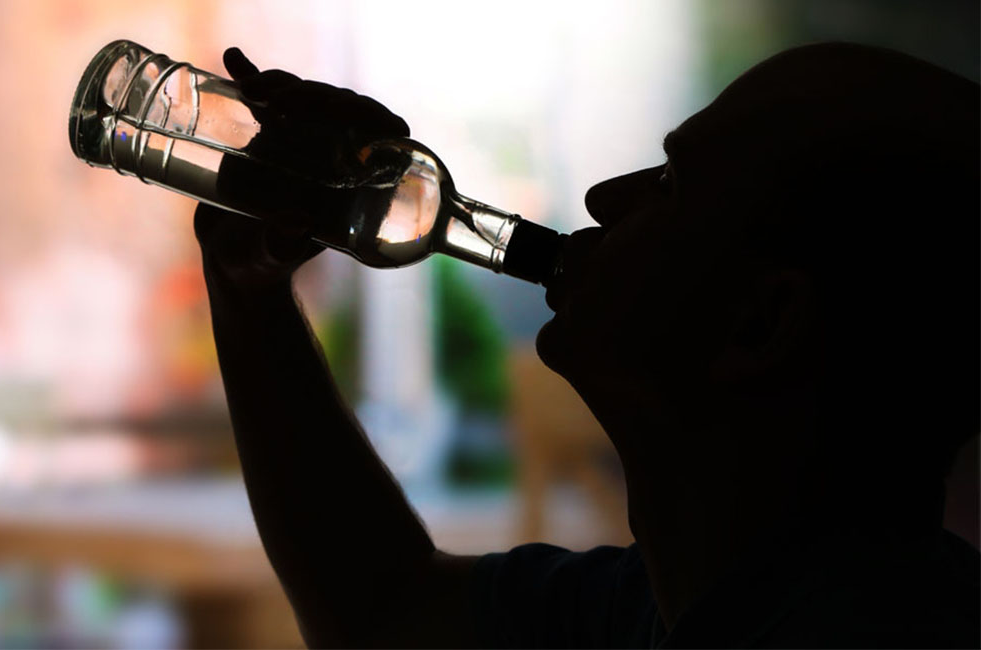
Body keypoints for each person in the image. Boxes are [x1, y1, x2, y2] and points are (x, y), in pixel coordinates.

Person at [193, 43, 979, 648]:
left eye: (669, 185)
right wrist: (247, 283)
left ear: (760, 323)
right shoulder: (668, 605)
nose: (605, 198)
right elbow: (385, 613)